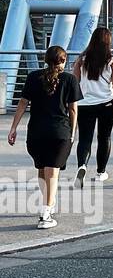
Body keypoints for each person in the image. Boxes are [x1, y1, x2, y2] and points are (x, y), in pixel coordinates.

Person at [6, 45, 82, 229]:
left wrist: (13, 128)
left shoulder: (33, 77)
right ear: (63, 61)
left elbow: (22, 103)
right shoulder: (70, 79)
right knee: (53, 170)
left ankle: (48, 203)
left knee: (42, 169)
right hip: (59, 132)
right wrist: (73, 133)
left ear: (46, 60)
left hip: (36, 132)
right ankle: (45, 214)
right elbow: (73, 109)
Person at [72, 26, 113, 183]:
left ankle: (82, 165)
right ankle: (100, 172)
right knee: (104, 137)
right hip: (106, 103)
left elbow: (74, 82)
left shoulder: (81, 60)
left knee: (84, 138)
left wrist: (70, 104)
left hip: (84, 104)